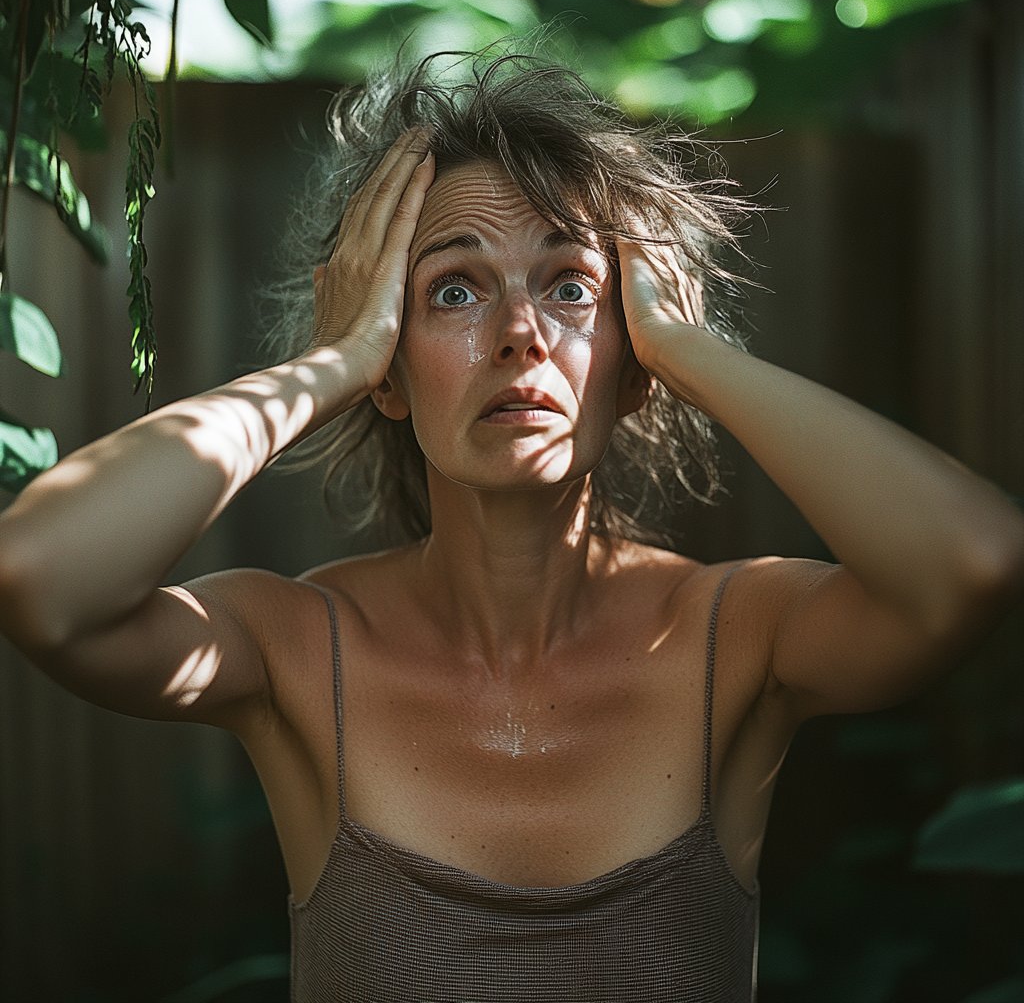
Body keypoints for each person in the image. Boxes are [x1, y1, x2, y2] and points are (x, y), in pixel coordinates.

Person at [0, 49, 1021, 1003]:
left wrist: (688, 351)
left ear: (635, 363)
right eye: (454, 289)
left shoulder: (737, 633)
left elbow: (971, 560)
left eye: (572, 286)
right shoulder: (297, 649)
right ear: (394, 368)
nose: (522, 333)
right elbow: (40, 572)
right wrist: (337, 361)